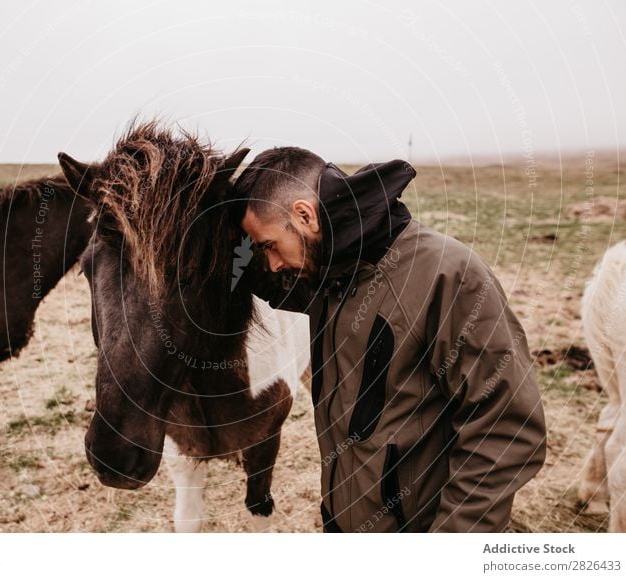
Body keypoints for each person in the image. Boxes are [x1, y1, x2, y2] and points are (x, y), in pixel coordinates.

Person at [234, 147, 546, 532]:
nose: (273, 263)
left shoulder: (449, 275)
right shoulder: (332, 274)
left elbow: (506, 426)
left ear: (304, 215)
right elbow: (266, 281)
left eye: (268, 246)